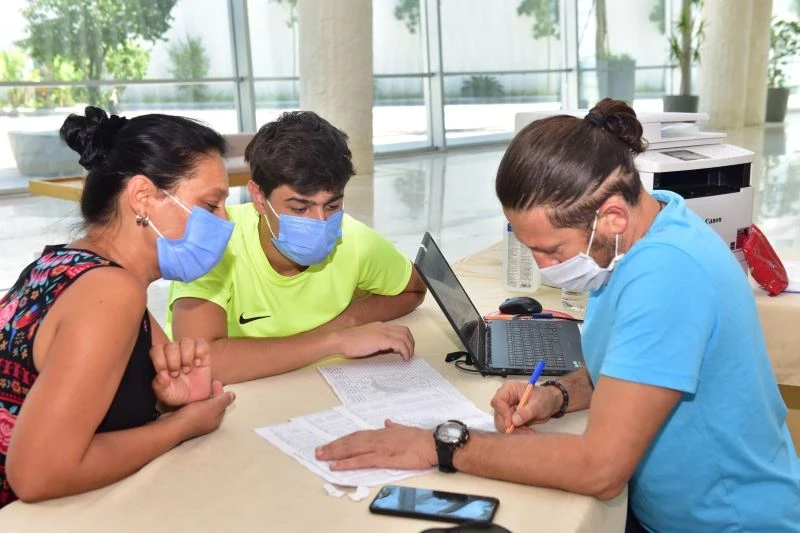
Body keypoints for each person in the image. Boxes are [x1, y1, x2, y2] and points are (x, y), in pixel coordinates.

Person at [316, 99, 800, 532]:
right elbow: (628, 370)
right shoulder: (639, 236)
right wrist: (556, 396)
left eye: (551, 250)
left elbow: (600, 469)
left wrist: (442, 445)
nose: (544, 267)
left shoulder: (666, 276)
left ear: (612, 217)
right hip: (667, 512)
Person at [0, 107, 237, 507]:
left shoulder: (62, 262)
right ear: (143, 197)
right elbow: (38, 474)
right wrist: (181, 426)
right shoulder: (112, 292)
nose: (225, 220)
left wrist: (173, 400)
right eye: (212, 205)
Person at [167, 111, 426, 384]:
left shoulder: (352, 239)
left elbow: (414, 289)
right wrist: (335, 340)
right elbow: (200, 363)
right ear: (259, 197)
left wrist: (347, 321)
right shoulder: (216, 244)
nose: (320, 222)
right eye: (300, 208)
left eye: (332, 205)